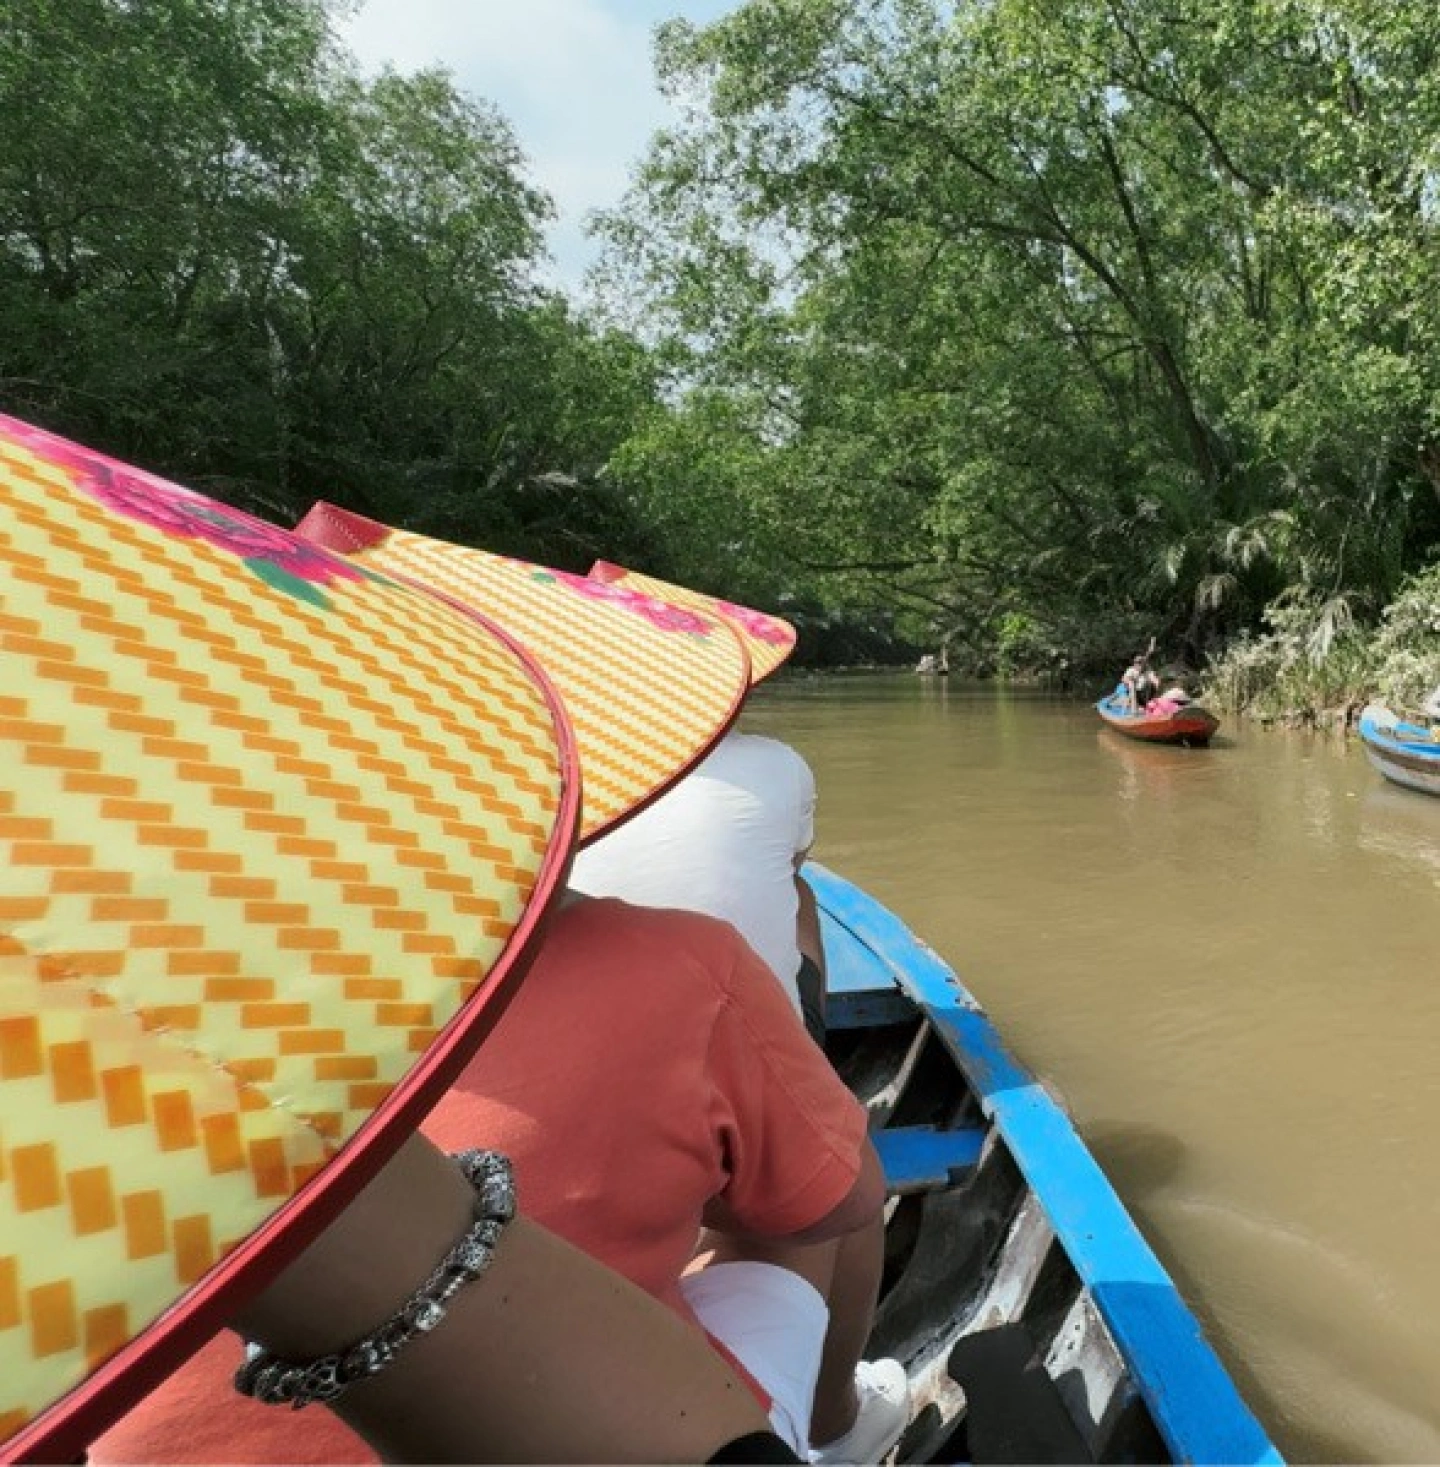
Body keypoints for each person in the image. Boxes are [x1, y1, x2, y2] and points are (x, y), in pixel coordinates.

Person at [93, 897, 910, 1465]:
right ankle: (838, 1427)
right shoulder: (676, 958)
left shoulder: (81, 1055)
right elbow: (846, 1201)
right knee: (807, 1201)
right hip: (659, 1423)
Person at [570, 730, 829, 1044]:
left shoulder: (563, 766)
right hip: (759, 1050)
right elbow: (793, 865)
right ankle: (814, 1066)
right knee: (800, 890)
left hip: (601, 1040)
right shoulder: (781, 761)